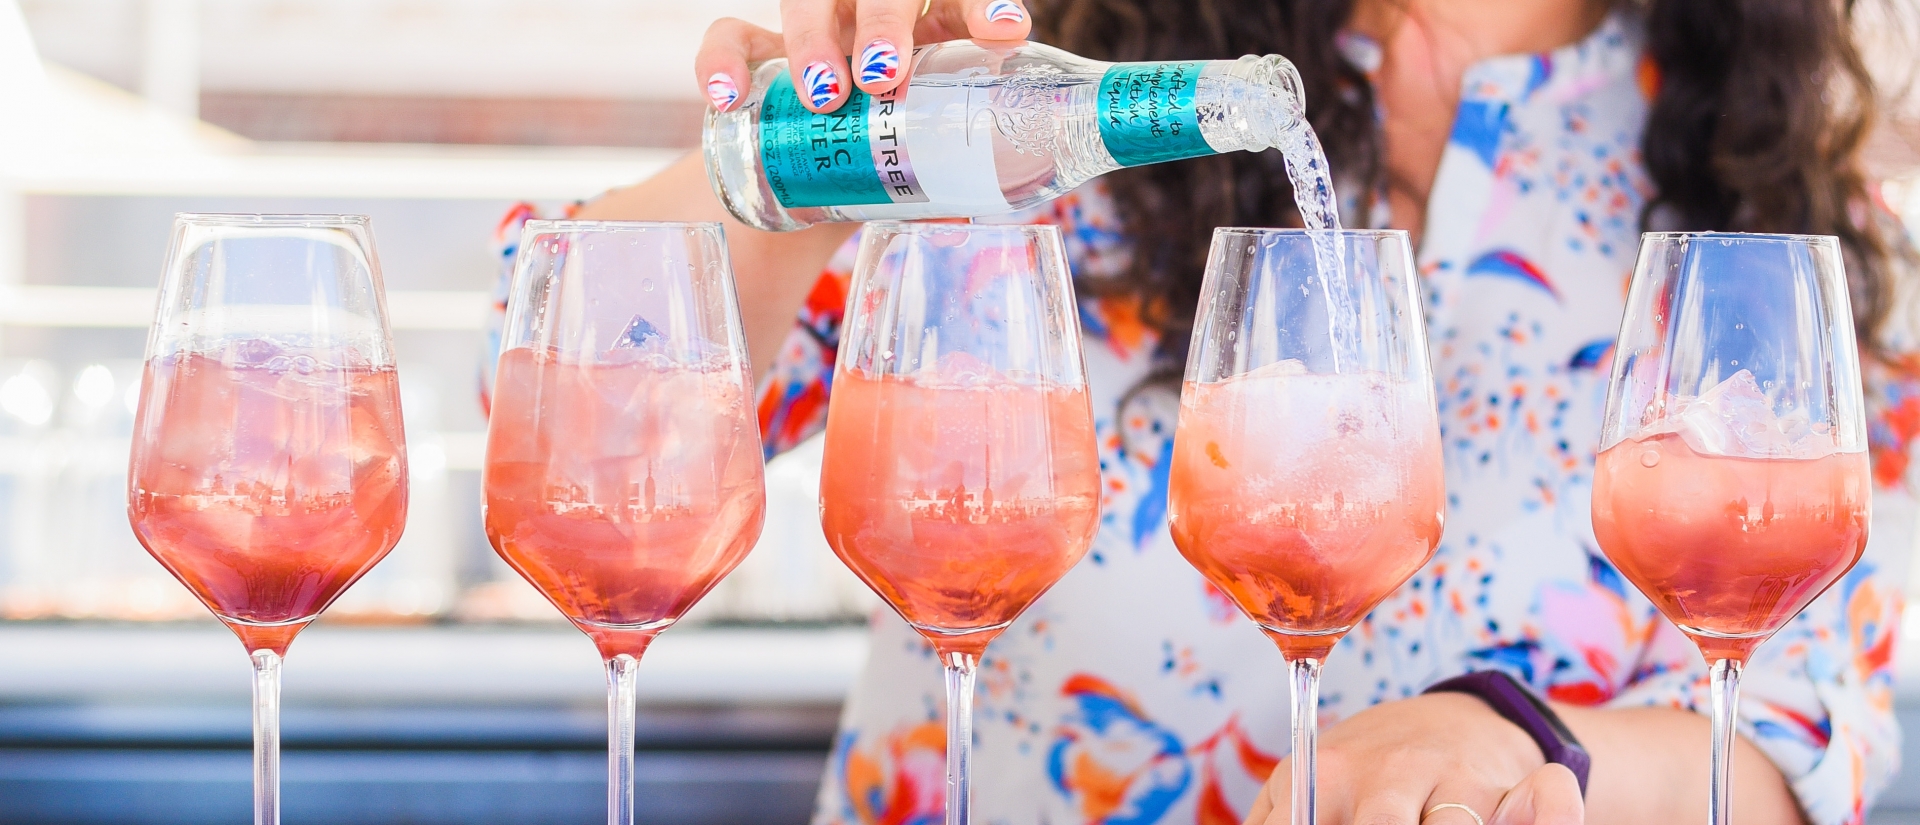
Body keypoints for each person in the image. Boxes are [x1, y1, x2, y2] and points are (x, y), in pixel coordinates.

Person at [488, 0, 1920, 822]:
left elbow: (1818, 725)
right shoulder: (1060, 84)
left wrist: (1513, 742)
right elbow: (560, 438)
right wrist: (793, 163)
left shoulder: (1781, 199)